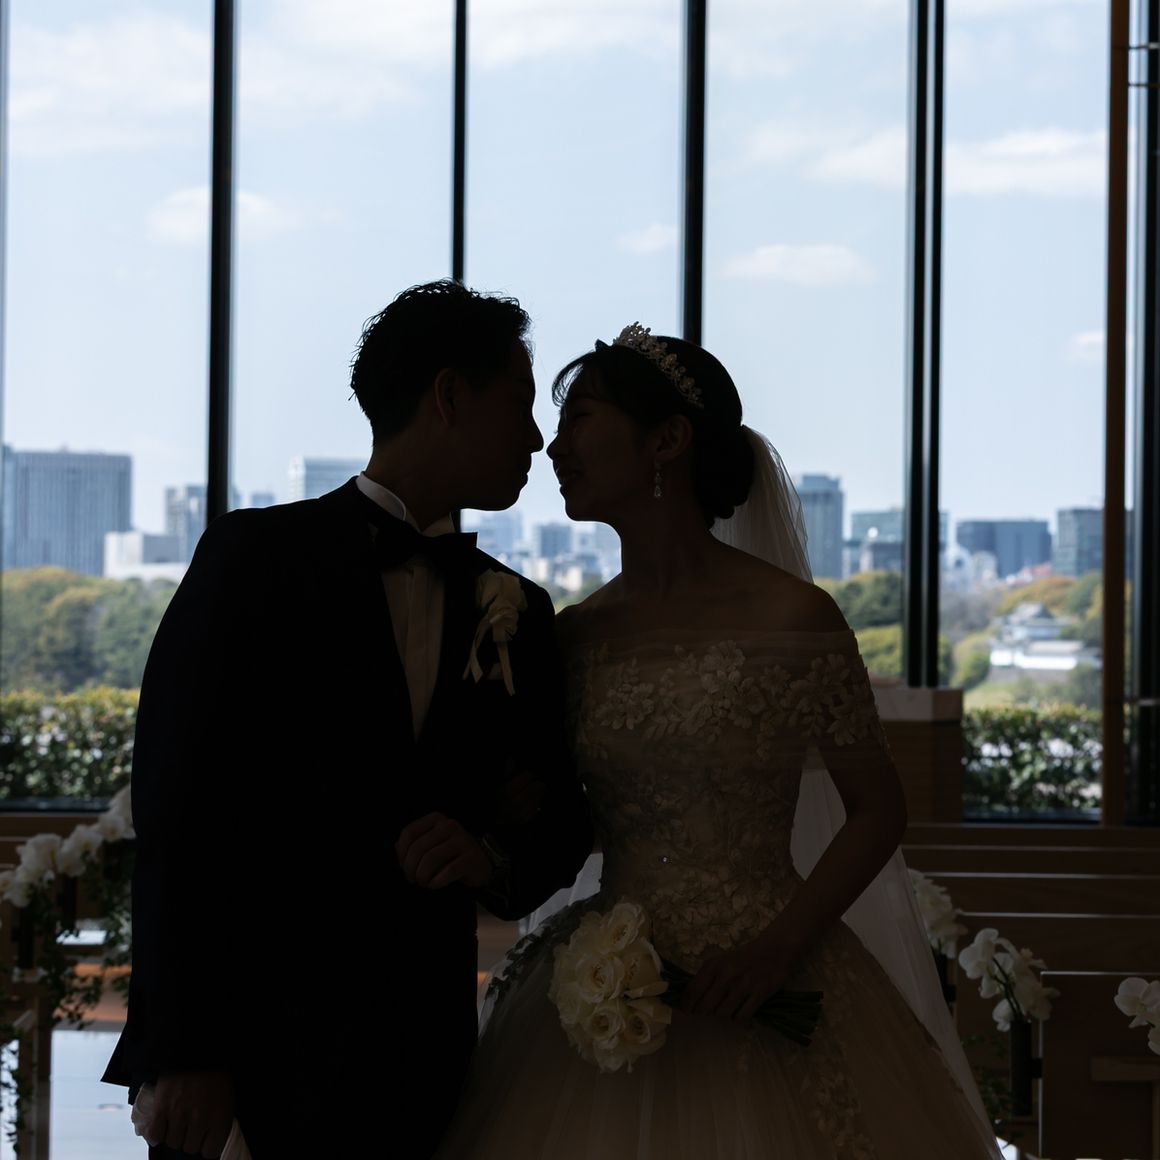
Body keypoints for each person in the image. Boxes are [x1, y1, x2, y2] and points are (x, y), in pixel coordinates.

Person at [434, 324, 1003, 1158]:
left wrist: (779, 947)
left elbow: (878, 810)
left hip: (772, 967)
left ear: (667, 440)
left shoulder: (795, 619)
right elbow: (559, 811)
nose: (555, 447)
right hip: (609, 972)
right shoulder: (575, 634)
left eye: (580, 418)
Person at [100, 279, 594, 1160]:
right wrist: (182, 1053)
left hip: (423, 1063)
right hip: (249, 1057)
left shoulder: (518, 609)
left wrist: (489, 855)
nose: (535, 439)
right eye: (520, 404)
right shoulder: (253, 560)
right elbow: (178, 815)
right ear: (449, 395)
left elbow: (559, 815)